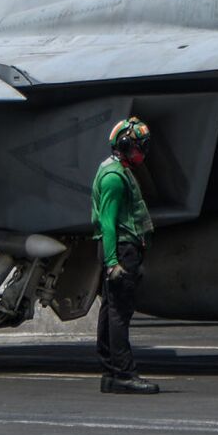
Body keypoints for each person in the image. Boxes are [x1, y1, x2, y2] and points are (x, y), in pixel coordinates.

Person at [93, 116, 160, 394]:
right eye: (138, 147)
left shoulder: (116, 169)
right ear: (123, 144)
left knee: (111, 310)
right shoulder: (114, 179)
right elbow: (108, 223)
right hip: (120, 249)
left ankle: (110, 371)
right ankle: (123, 374)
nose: (141, 153)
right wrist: (112, 264)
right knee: (120, 312)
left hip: (120, 248)